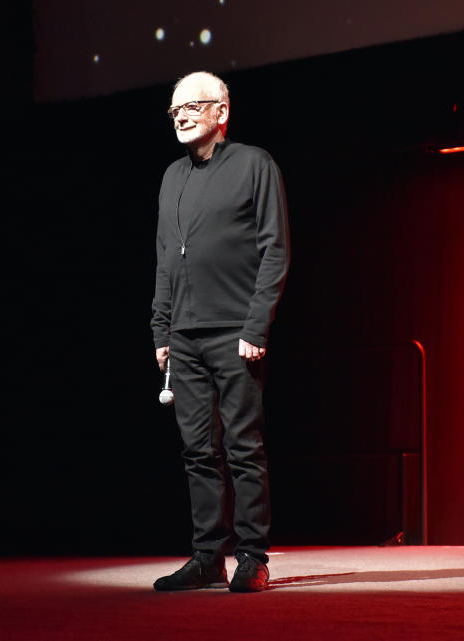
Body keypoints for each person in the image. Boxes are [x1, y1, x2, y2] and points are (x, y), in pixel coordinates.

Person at [150, 71, 290, 593]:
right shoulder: (171, 177)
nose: (181, 115)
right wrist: (161, 329)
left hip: (236, 332)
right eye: (174, 110)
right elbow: (166, 256)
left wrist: (257, 323)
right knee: (196, 450)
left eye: (191, 106)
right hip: (183, 337)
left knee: (242, 446)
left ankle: (252, 555)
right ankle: (208, 556)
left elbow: (275, 249)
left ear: (221, 111)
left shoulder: (254, 164)